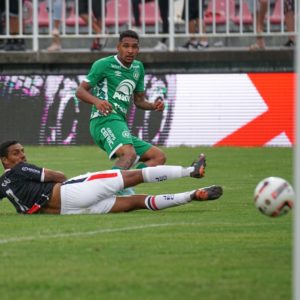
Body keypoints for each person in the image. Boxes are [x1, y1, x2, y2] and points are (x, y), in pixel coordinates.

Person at [0, 141, 223, 215]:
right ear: (5, 160)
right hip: (72, 192)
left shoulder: (2, 183)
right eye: (16, 153)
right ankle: (190, 171)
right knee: (134, 176)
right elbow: (59, 176)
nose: (22, 155)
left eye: (22, 151)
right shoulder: (20, 169)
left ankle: (191, 195)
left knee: (136, 203)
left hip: (69, 212)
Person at [76, 30, 166, 195]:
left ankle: (124, 184)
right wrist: (97, 101)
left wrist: (153, 106)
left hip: (119, 122)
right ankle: (112, 190)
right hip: (103, 119)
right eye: (126, 46)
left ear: (138, 49)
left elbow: (139, 101)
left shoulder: (138, 68)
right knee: (129, 154)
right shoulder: (103, 64)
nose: (130, 50)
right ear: (118, 47)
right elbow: (80, 91)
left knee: (158, 157)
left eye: (134, 47)